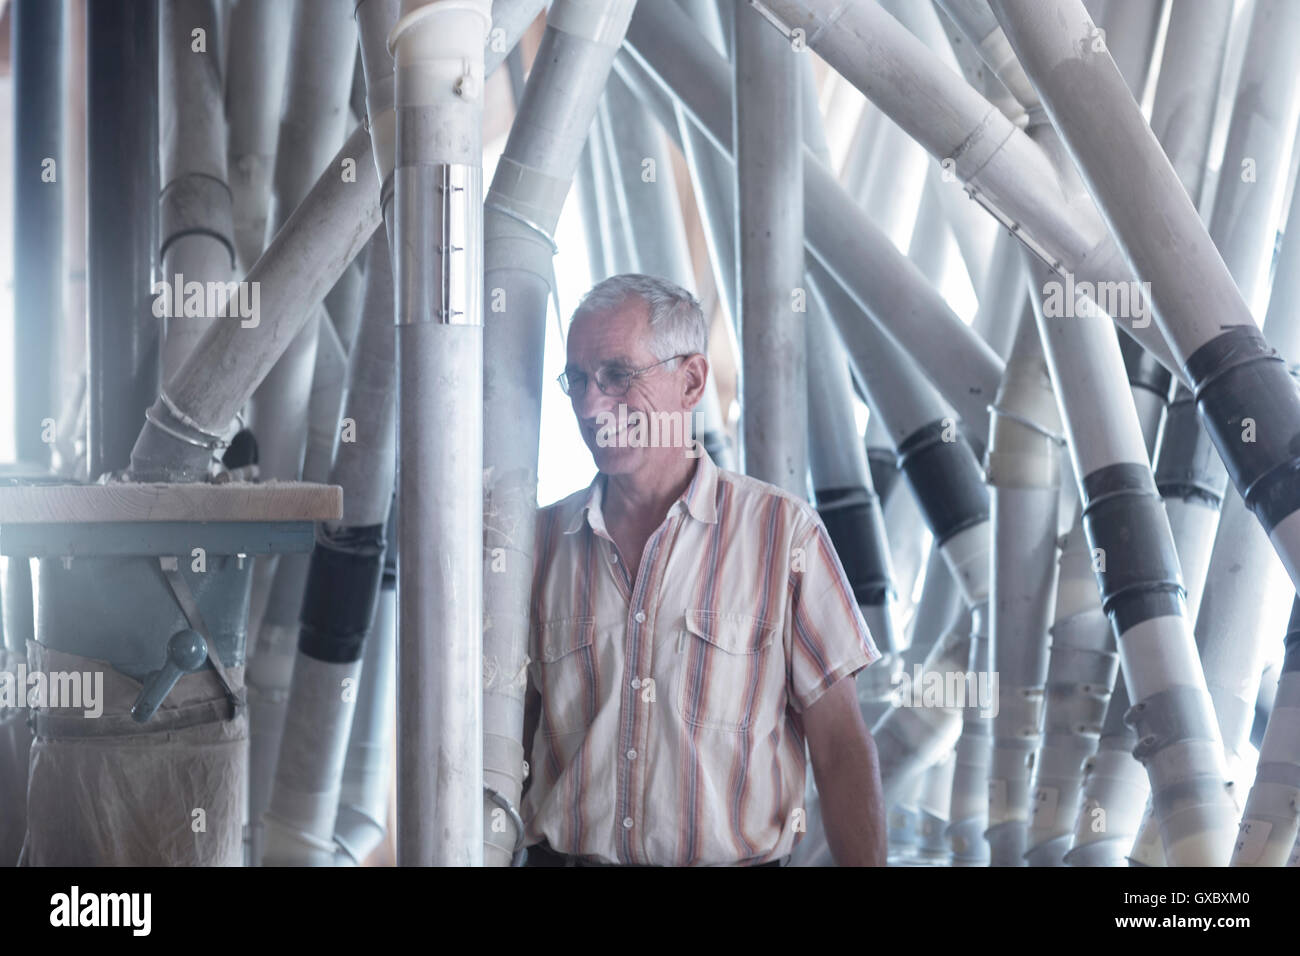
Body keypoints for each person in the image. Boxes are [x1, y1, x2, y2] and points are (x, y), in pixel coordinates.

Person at [521, 273, 887, 866]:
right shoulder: (538, 544)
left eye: (617, 375)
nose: (591, 405)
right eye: (579, 381)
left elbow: (842, 747)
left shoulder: (782, 535)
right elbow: (505, 737)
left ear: (690, 381)